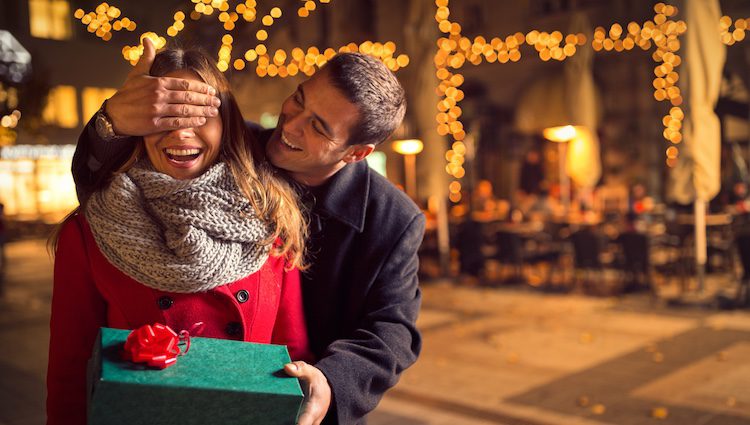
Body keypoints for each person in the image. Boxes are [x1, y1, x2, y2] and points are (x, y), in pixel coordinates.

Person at [72, 38, 424, 425]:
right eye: (299, 99)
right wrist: (113, 121)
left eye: (318, 127)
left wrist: (332, 379)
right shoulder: (238, 143)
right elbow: (103, 178)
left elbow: (392, 329)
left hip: (305, 401)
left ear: (356, 153)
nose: (289, 124)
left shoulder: (393, 218)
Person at [48, 47, 311, 425]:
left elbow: (293, 354)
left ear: (226, 125)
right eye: (164, 116)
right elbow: (69, 375)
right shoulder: (91, 231)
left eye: (200, 115)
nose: (181, 132)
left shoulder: (270, 219)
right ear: (138, 126)